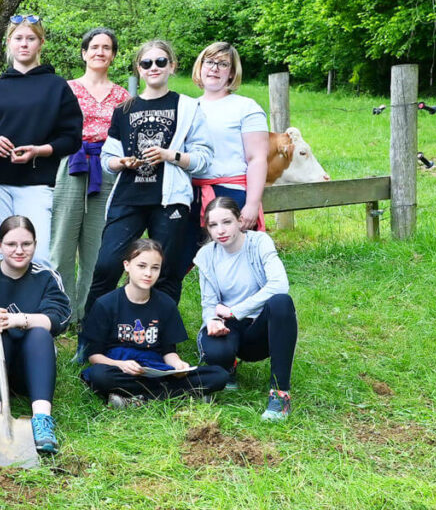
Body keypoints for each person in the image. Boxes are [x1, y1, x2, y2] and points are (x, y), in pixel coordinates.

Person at [86, 39, 211, 314]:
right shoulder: (124, 109)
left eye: (160, 62)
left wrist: (171, 156)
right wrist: (120, 162)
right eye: (146, 63)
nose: (153, 67)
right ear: (139, 69)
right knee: (106, 264)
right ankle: (92, 336)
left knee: (166, 270)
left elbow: (204, 159)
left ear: (172, 66)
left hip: (169, 200)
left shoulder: (188, 107)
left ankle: (160, 336)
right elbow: (108, 158)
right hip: (128, 197)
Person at [0, 15, 83, 267]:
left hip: (37, 185)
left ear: (41, 43)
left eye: (31, 39)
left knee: (39, 257)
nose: (24, 44)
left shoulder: (57, 87)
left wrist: (39, 151)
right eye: (18, 38)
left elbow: (72, 138)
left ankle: (35, 307)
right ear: (9, 43)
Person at [0, 216, 71, 453]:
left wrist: (16, 320)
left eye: (26, 244)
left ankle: (41, 420)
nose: (19, 251)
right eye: (11, 244)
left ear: (35, 244)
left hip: (28, 372)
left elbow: (58, 320)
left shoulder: (47, 277)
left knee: (39, 333)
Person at [79, 239, 229, 407]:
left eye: (155, 268)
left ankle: (137, 399)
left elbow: (168, 352)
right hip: (120, 368)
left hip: (156, 369)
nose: (148, 273)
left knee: (219, 374)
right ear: (127, 265)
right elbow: (94, 356)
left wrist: (178, 365)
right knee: (100, 376)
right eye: (141, 266)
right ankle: (180, 396)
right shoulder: (105, 304)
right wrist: (120, 365)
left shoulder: (166, 304)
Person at [172, 42, 270, 300]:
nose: (214, 68)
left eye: (223, 63)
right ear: (200, 67)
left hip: (230, 194)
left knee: (238, 268)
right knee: (173, 263)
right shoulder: (186, 107)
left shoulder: (246, 107)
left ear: (232, 72)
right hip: (188, 194)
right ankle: (162, 327)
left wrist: (251, 204)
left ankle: (245, 322)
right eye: (209, 62)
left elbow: (257, 158)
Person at [49, 28, 131, 325]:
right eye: (94, 47)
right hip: (72, 164)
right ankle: (62, 310)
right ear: (84, 53)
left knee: (98, 243)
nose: (100, 52)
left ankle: (89, 311)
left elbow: (127, 136)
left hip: (108, 167)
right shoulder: (66, 88)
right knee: (62, 239)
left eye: (106, 47)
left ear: (113, 55)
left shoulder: (123, 96)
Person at [195, 197, 297, 421]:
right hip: (228, 327)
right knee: (215, 352)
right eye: (213, 225)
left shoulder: (259, 242)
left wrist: (236, 310)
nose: (221, 230)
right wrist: (212, 320)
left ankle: (280, 394)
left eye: (227, 222)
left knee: (281, 302)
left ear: (240, 221)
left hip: (258, 327)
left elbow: (280, 284)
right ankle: (228, 366)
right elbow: (209, 303)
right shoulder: (206, 255)